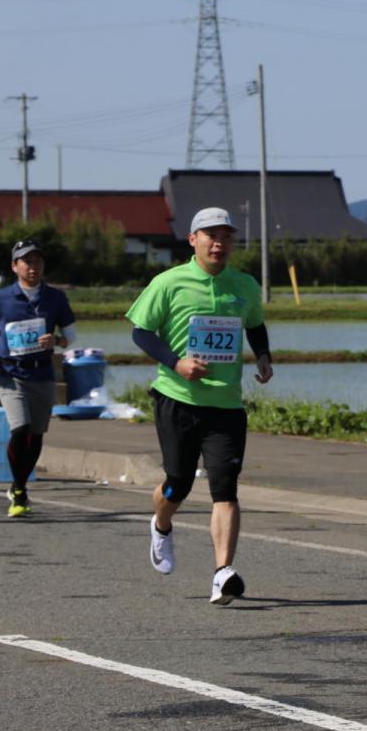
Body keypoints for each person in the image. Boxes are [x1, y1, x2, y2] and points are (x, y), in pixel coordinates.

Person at [127, 207, 273, 605]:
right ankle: (161, 523)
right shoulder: (169, 282)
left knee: (225, 488)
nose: (219, 242)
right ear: (193, 240)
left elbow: (255, 325)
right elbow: (141, 332)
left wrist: (262, 356)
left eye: (226, 235)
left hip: (225, 406)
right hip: (177, 399)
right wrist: (177, 363)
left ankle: (222, 571)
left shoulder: (243, 285)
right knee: (178, 483)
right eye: (210, 234)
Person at [0, 239, 77, 517]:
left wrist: (57, 340)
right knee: (20, 429)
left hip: (43, 373)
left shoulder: (56, 298)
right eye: (26, 261)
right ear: (15, 266)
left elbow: (71, 336)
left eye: (37, 261)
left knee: (36, 434)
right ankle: (19, 488)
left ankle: (19, 485)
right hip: (11, 374)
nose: (33, 266)